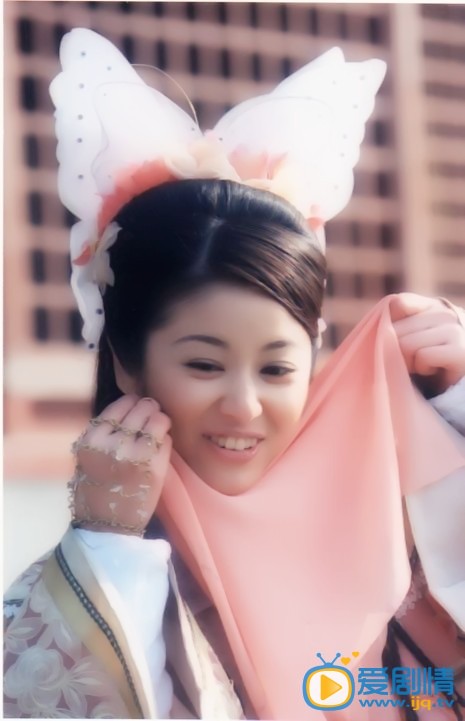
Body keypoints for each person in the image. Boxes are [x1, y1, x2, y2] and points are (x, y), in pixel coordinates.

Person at [4, 29, 465, 721]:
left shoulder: (404, 539)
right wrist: (109, 547)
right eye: (203, 364)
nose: (245, 405)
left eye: (277, 367)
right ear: (126, 360)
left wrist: (453, 404)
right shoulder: (89, 581)